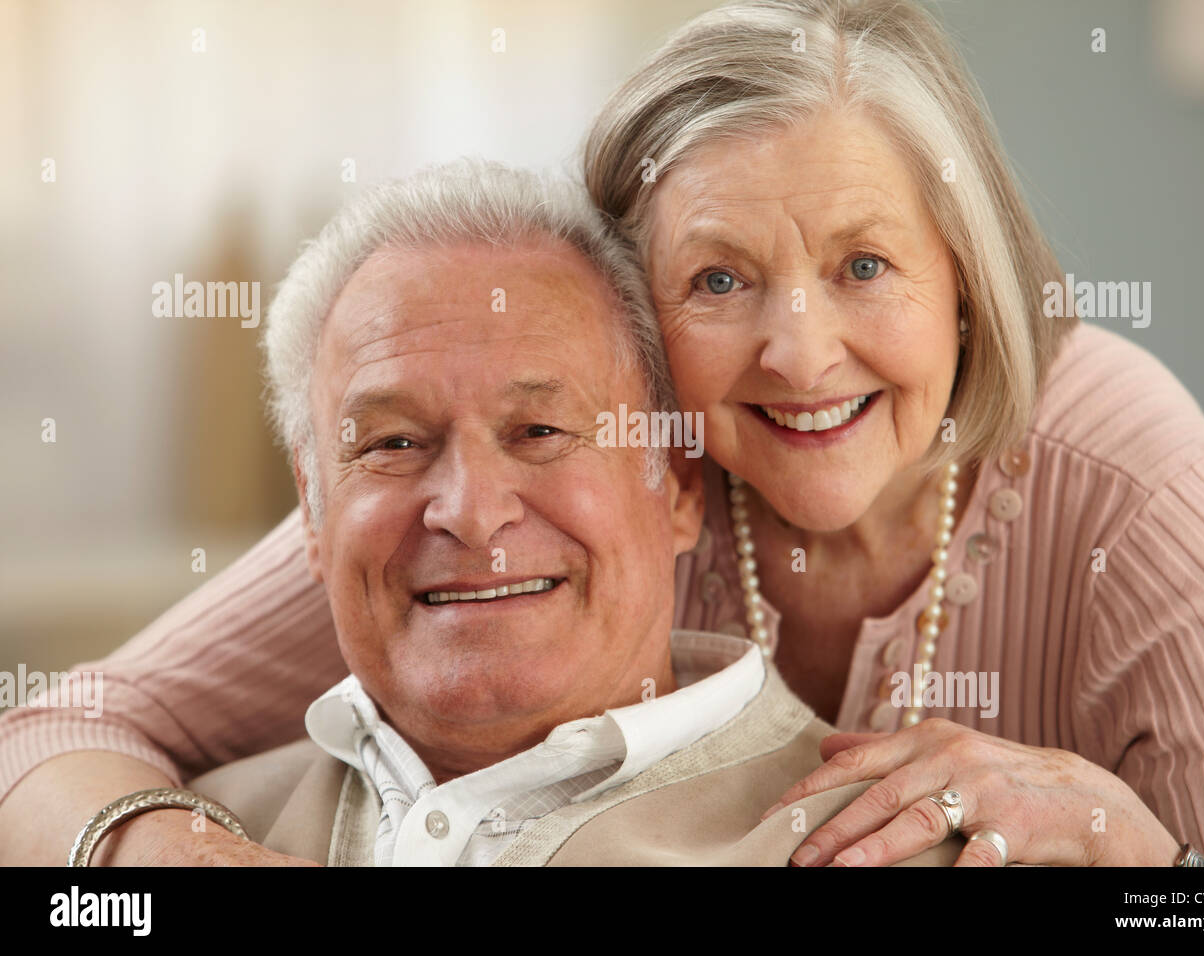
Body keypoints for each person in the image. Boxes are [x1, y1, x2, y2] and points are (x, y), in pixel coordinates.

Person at [2, 0, 1204, 868]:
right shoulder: (503, 486)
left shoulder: (1137, 486)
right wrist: (163, 861)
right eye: (720, 281)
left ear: (964, 278)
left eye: (863, 266)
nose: (800, 350)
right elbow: (52, 733)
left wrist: (1140, 850)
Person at [65, 161, 963, 867]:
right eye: (392, 443)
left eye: (540, 430)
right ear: (311, 509)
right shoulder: (166, 837)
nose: (469, 513)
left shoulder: (885, 841)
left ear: (679, 485)